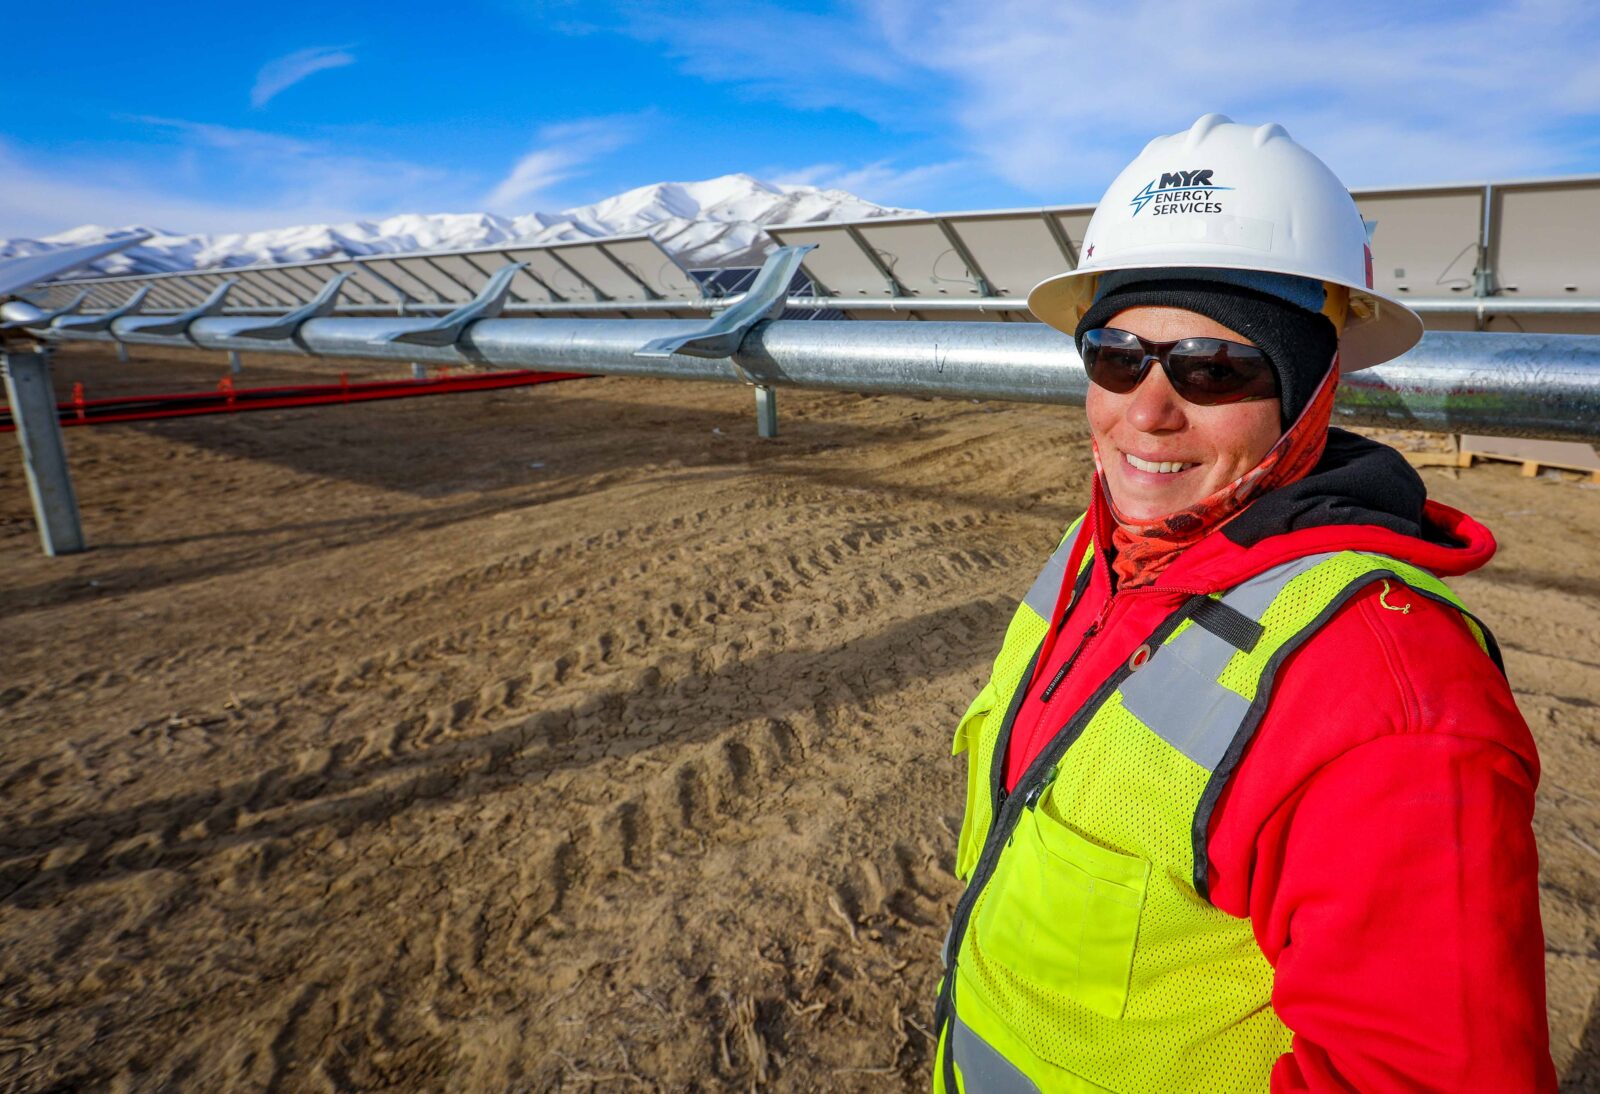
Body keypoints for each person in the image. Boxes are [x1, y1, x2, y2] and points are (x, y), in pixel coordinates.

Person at [933, 115, 1555, 1092]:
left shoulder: (1388, 700)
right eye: (1116, 355)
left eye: (1213, 368)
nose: (1146, 410)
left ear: (1306, 396)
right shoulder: (1103, 550)